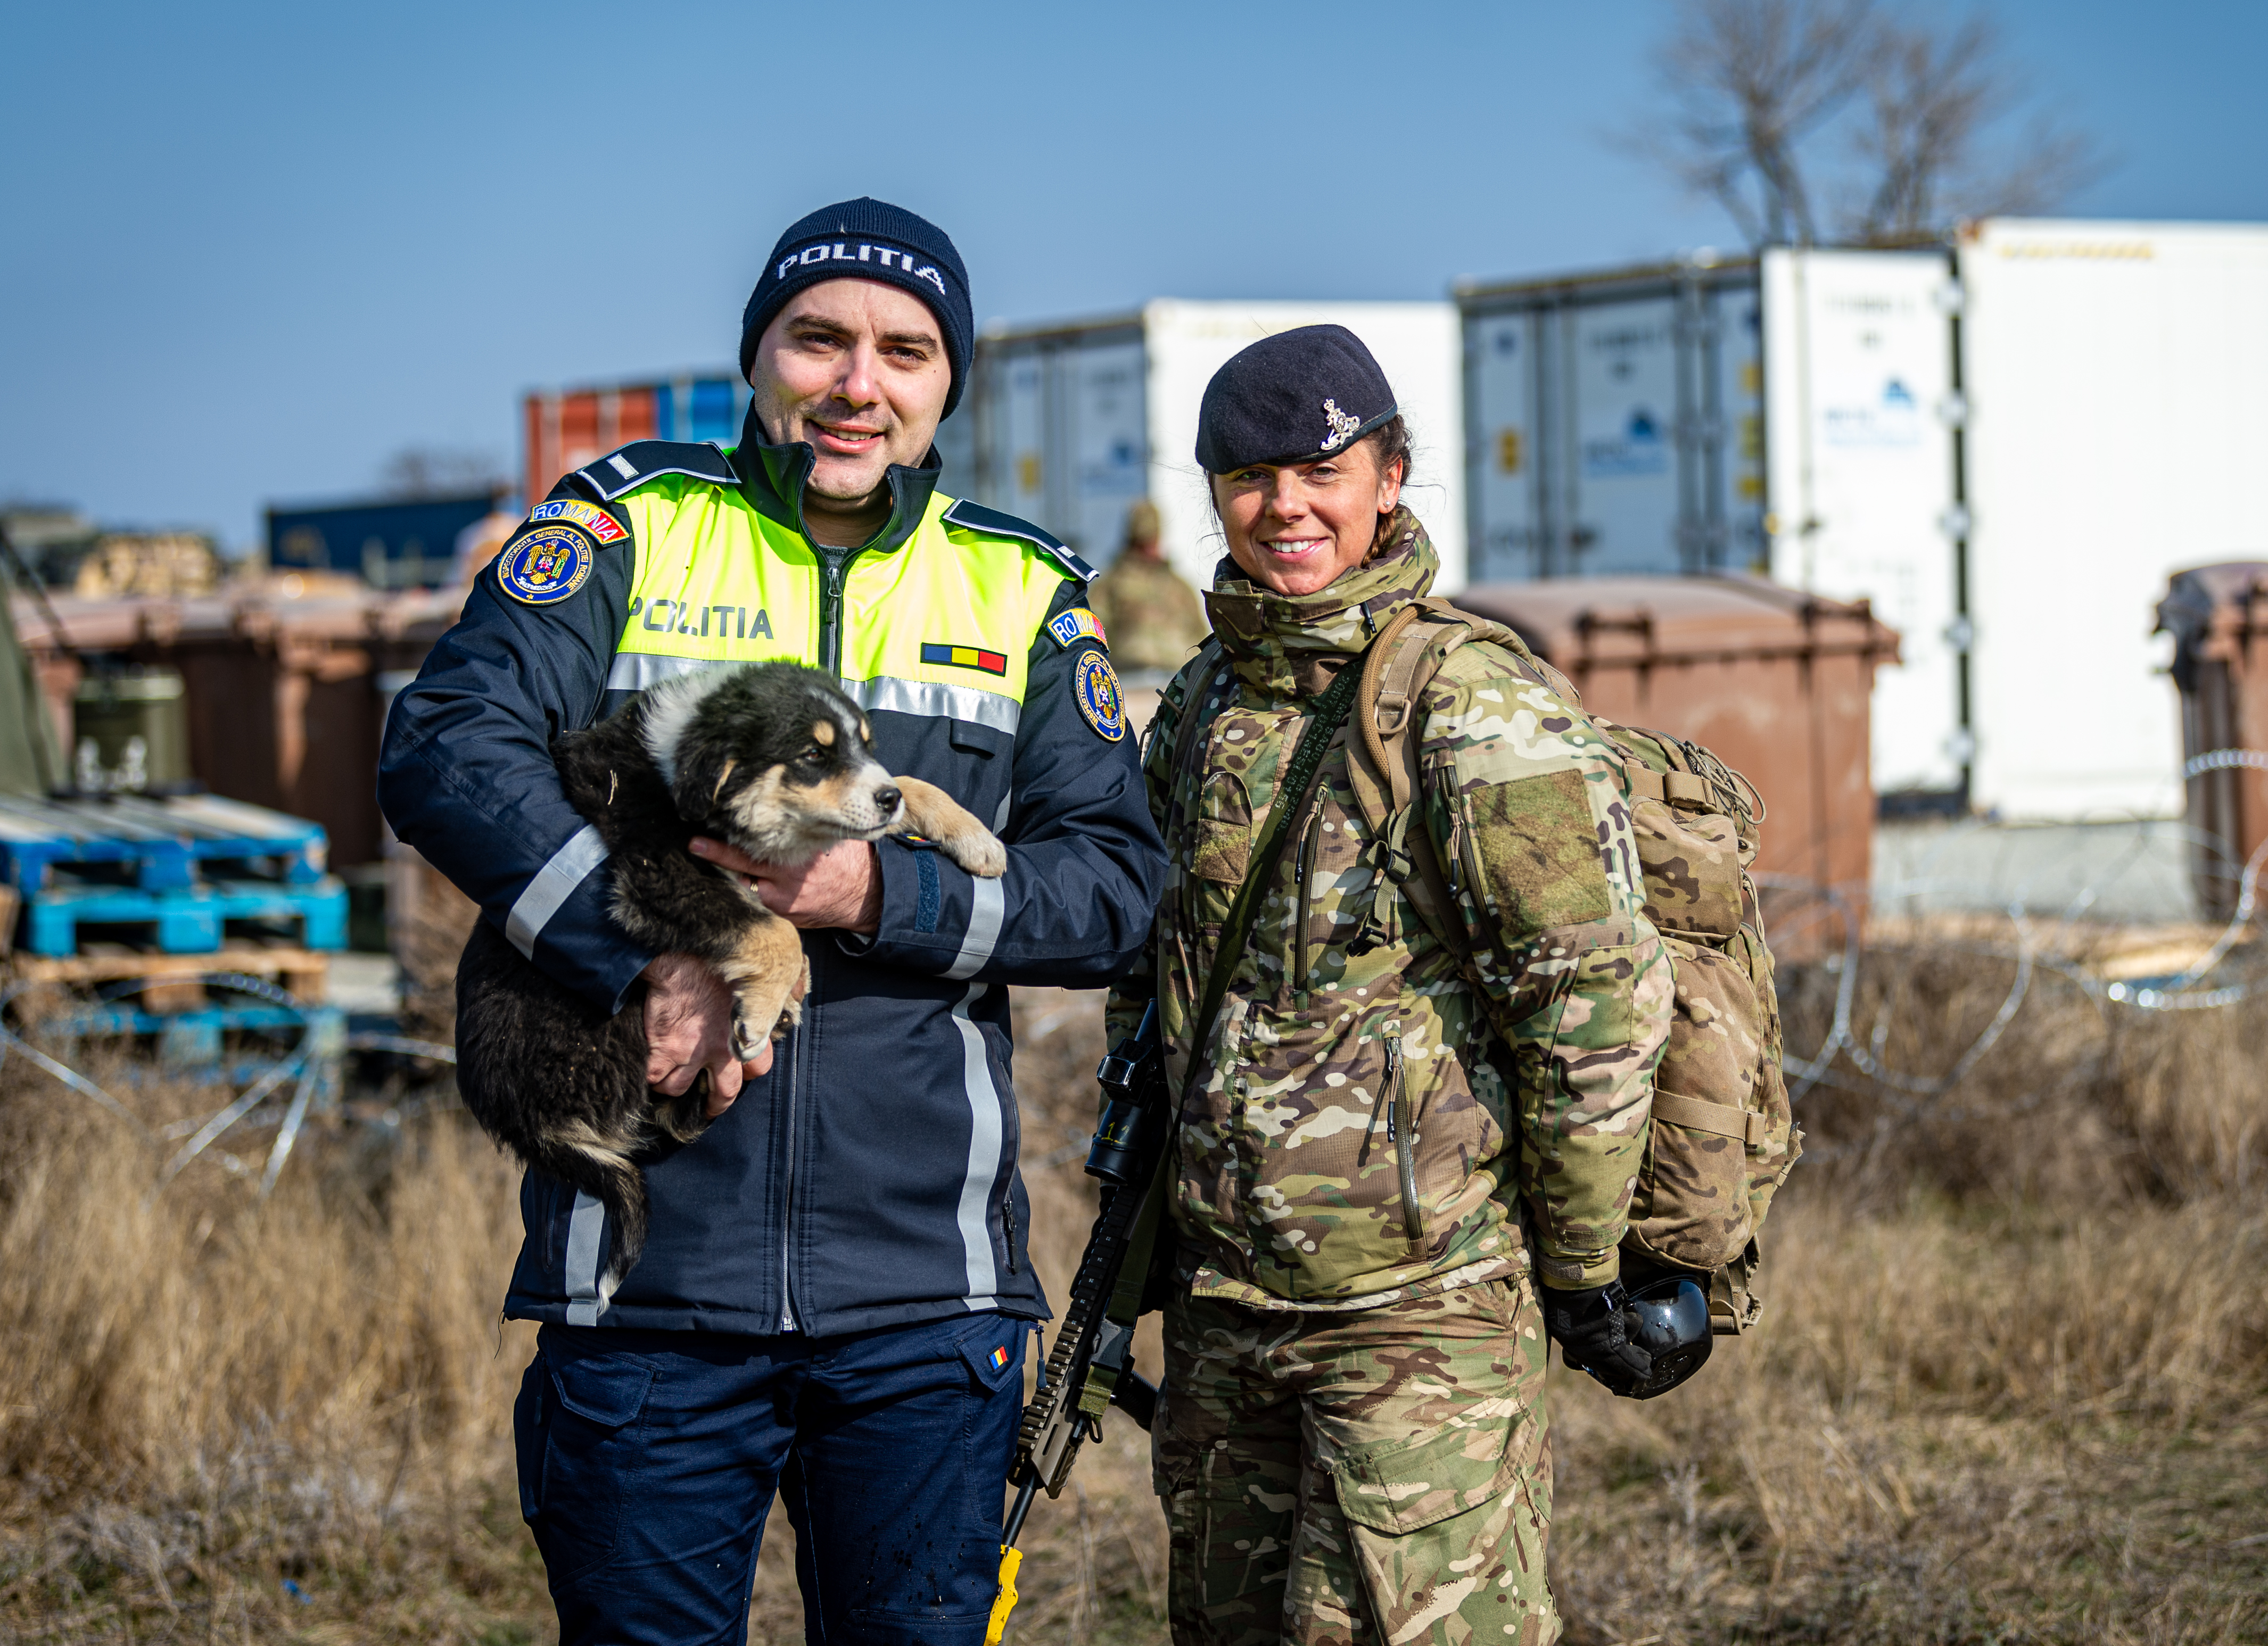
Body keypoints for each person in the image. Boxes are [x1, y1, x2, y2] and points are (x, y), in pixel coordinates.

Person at [380, 196, 1167, 1643]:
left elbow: (1121, 891)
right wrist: (644, 958)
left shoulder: (1026, 587)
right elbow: (443, 746)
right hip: (646, 1299)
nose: (857, 383)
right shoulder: (625, 523)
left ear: (946, 386)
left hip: (930, 1313)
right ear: (759, 360)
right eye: (819, 339)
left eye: (905, 352)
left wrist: (880, 893)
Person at [1104, 326, 1676, 1645]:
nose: (1285, 506)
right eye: (1247, 477)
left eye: (1320, 470)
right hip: (1225, 1309)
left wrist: (1584, 1265)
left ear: (1390, 475)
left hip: (1417, 1314)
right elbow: (1161, 978)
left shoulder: (1472, 699)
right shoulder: (1200, 702)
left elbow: (1590, 1001)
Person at [1087, 497, 1209, 676]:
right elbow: (1093, 636)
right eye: (1142, 543)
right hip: (1129, 679)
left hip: (1177, 679)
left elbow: (1200, 636)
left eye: (1151, 541)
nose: (1149, 550)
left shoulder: (1179, 586)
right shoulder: (1111, 585)